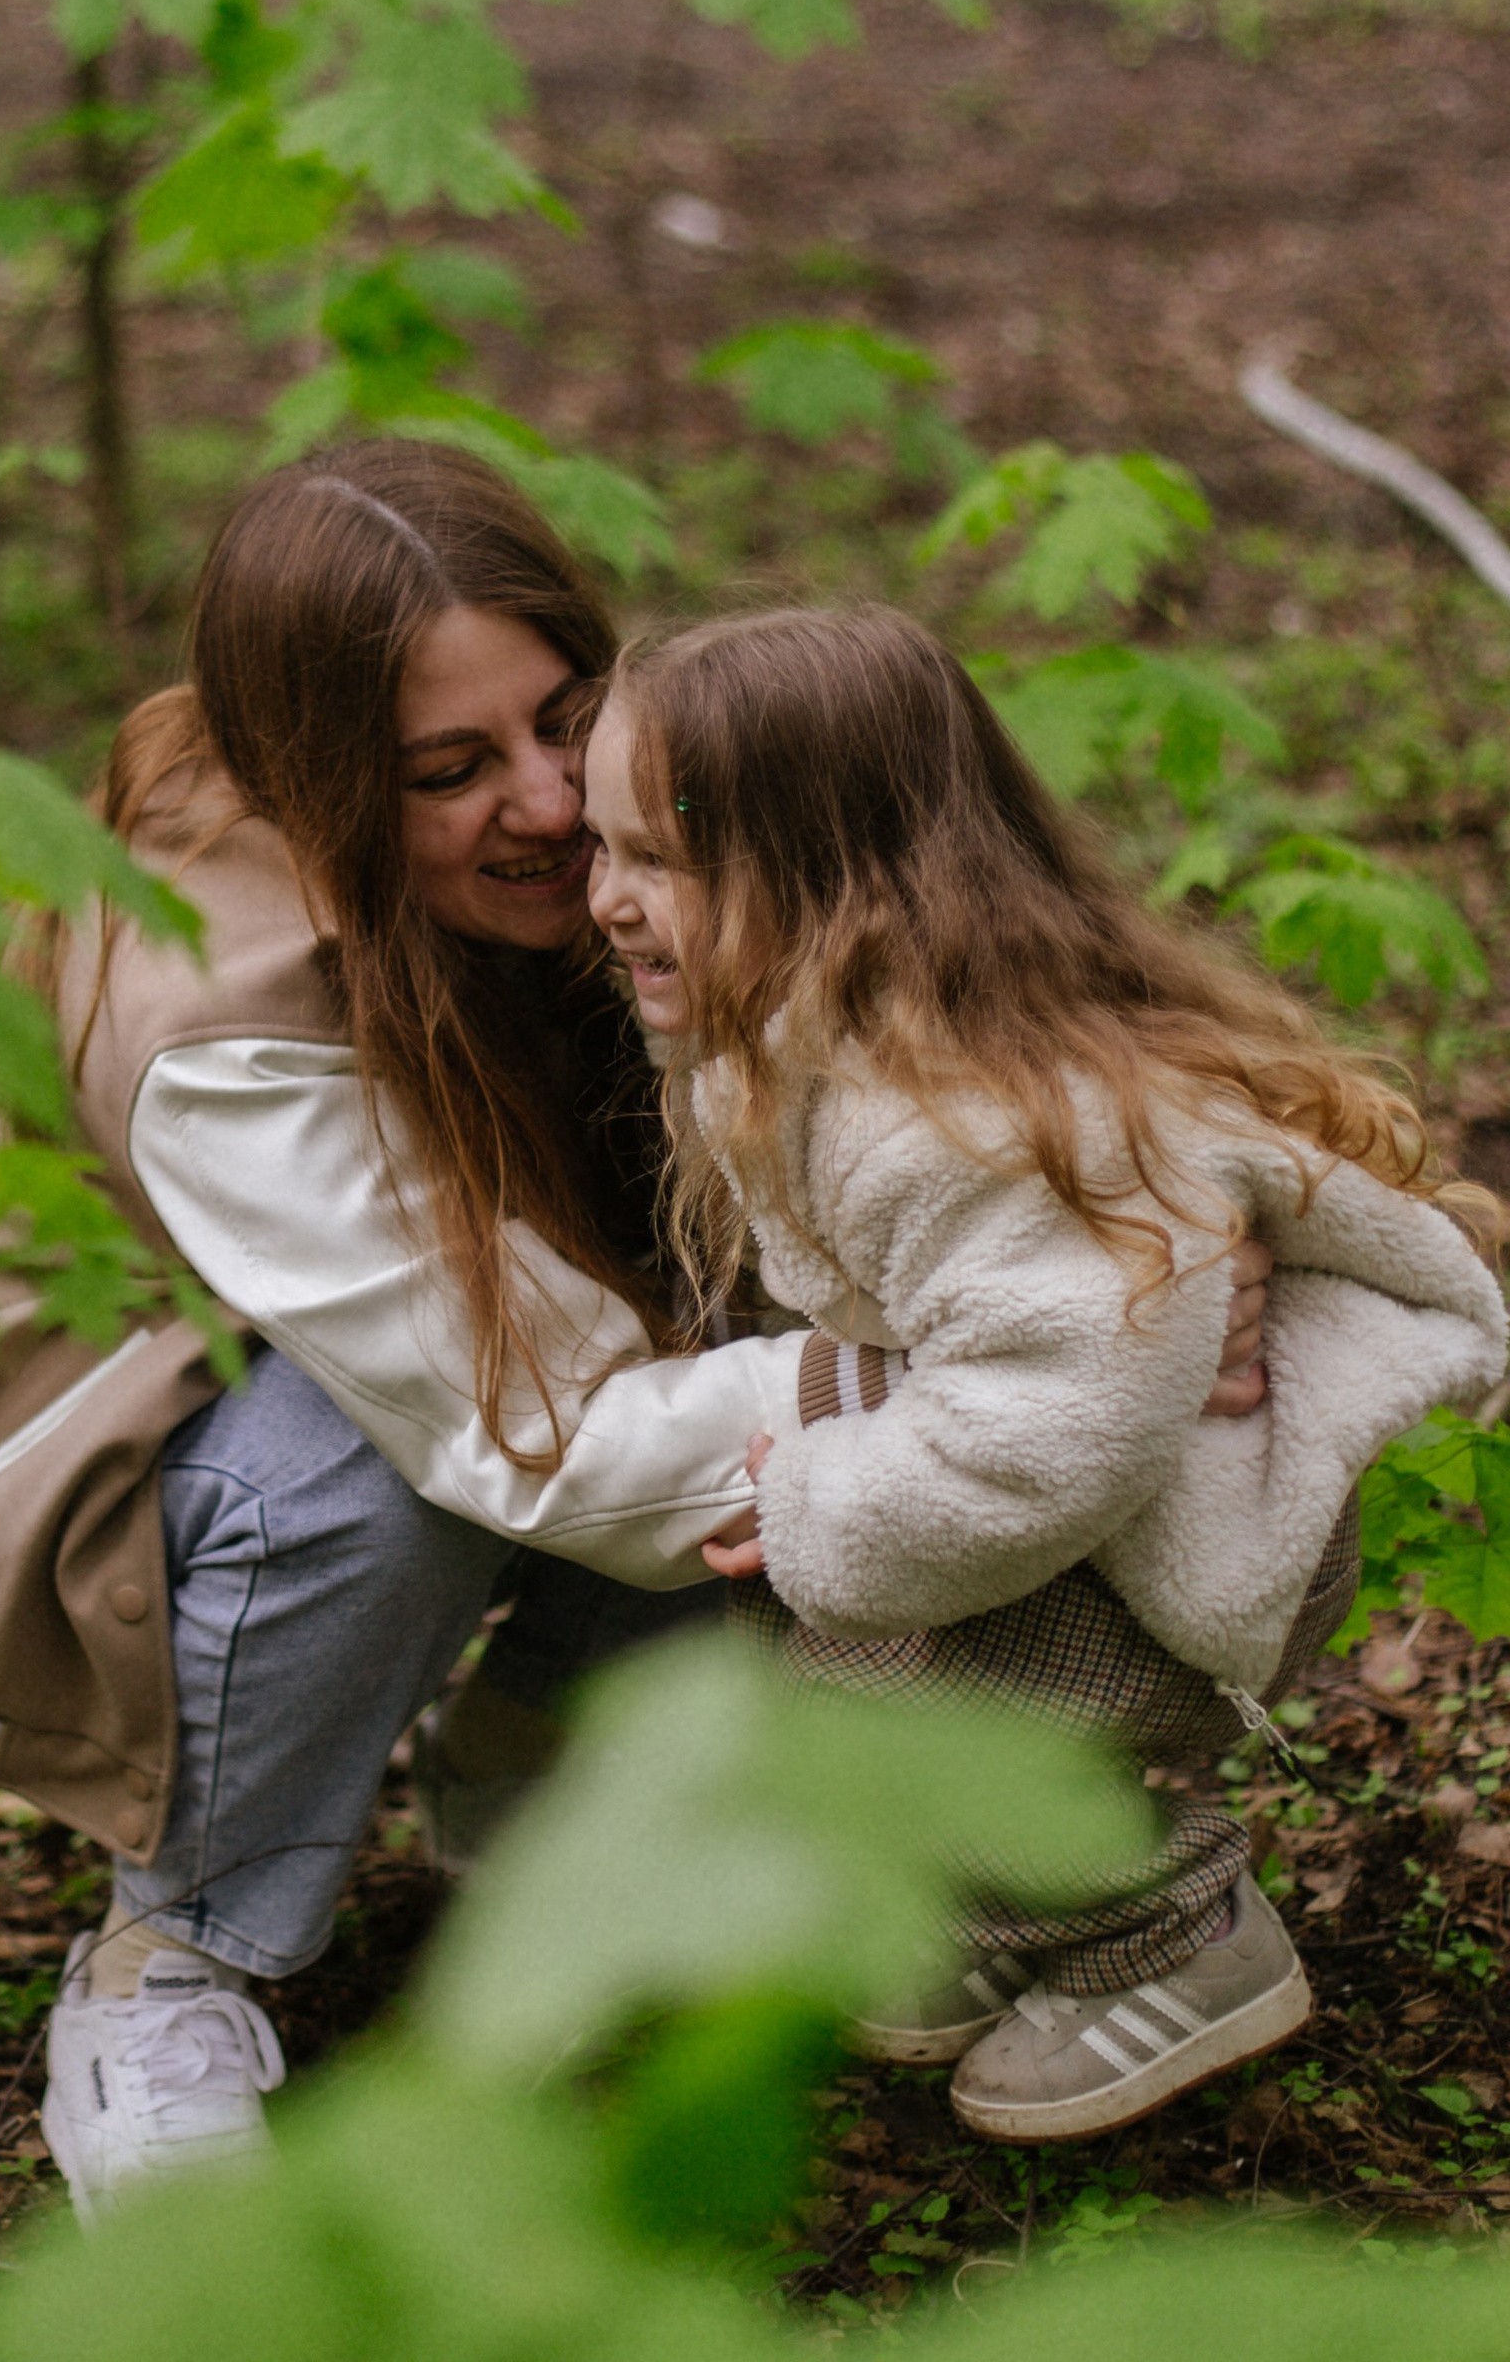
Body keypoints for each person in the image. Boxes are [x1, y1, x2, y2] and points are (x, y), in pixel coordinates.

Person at [0, 446, 1269, 2220]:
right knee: (388, 1462)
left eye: (565, 719)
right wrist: (978, 1375)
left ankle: (533, 1750)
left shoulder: (605, 831)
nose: (552, 804)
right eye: (450, 771)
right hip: (4, 1498)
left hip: (341, 1387)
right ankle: (173, 1962)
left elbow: (911, 1057)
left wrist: (1124, 1240)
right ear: (316, 778)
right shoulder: (226, 1034)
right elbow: (528, 1432)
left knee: (718, 1245)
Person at [578, 603, 1506, 2142]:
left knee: (874, 1613)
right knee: (838, 1523)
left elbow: (1043, 1440)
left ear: (838, 875)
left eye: (663, 861)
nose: (611, 900)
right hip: (1102, 1492)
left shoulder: (956, 1119)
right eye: (604, 851)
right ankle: (979, 1898)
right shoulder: (833, 1032)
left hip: (1168, 1530)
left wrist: (824, 1507)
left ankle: (1170, 1933)